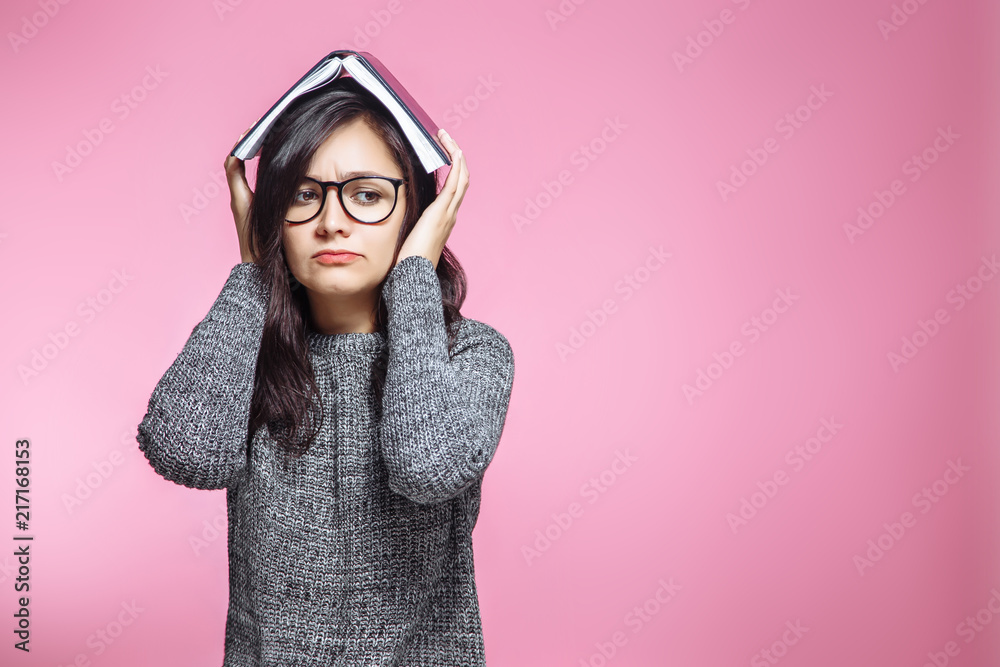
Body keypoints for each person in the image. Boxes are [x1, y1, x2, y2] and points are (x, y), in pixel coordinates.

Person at [136, 76, 515, 665]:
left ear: (416, 211)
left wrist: (415, 272)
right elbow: (187, 452)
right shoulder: (242, 355)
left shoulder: (472, 354)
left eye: (366, 194)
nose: (331, 221)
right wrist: (253, 270)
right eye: (302, 194)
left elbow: (428, 466)